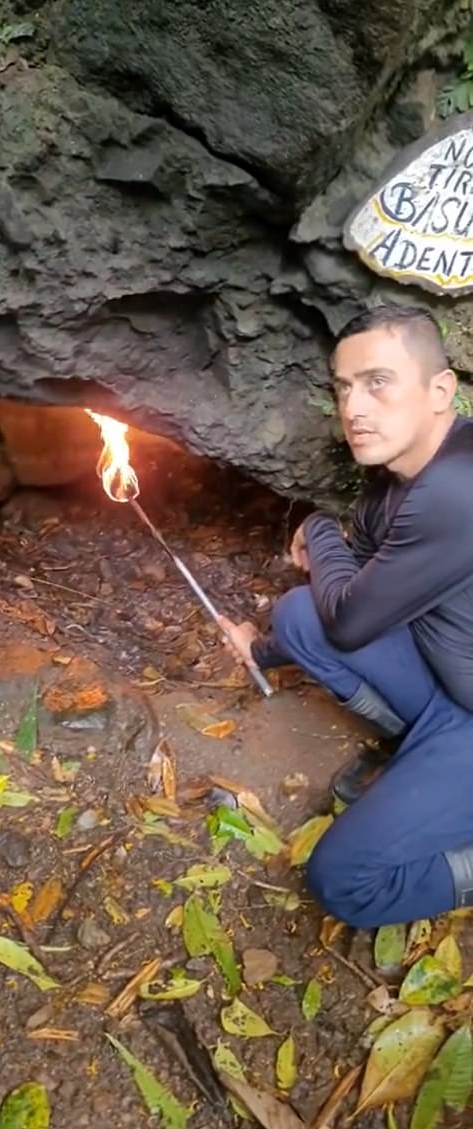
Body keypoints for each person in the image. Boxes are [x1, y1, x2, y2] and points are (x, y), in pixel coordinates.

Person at [219, 305, 473, 929]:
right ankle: (415, 750)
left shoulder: (457, 489)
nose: (355, 407)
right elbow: (348, 588)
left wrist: (314, 525)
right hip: (454, 687)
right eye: (344, 388)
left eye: (378, 382)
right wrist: (264, 652)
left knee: (343, 880)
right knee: (301, 614)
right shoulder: (397, 476)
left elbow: (353, 622)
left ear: (441, 391)